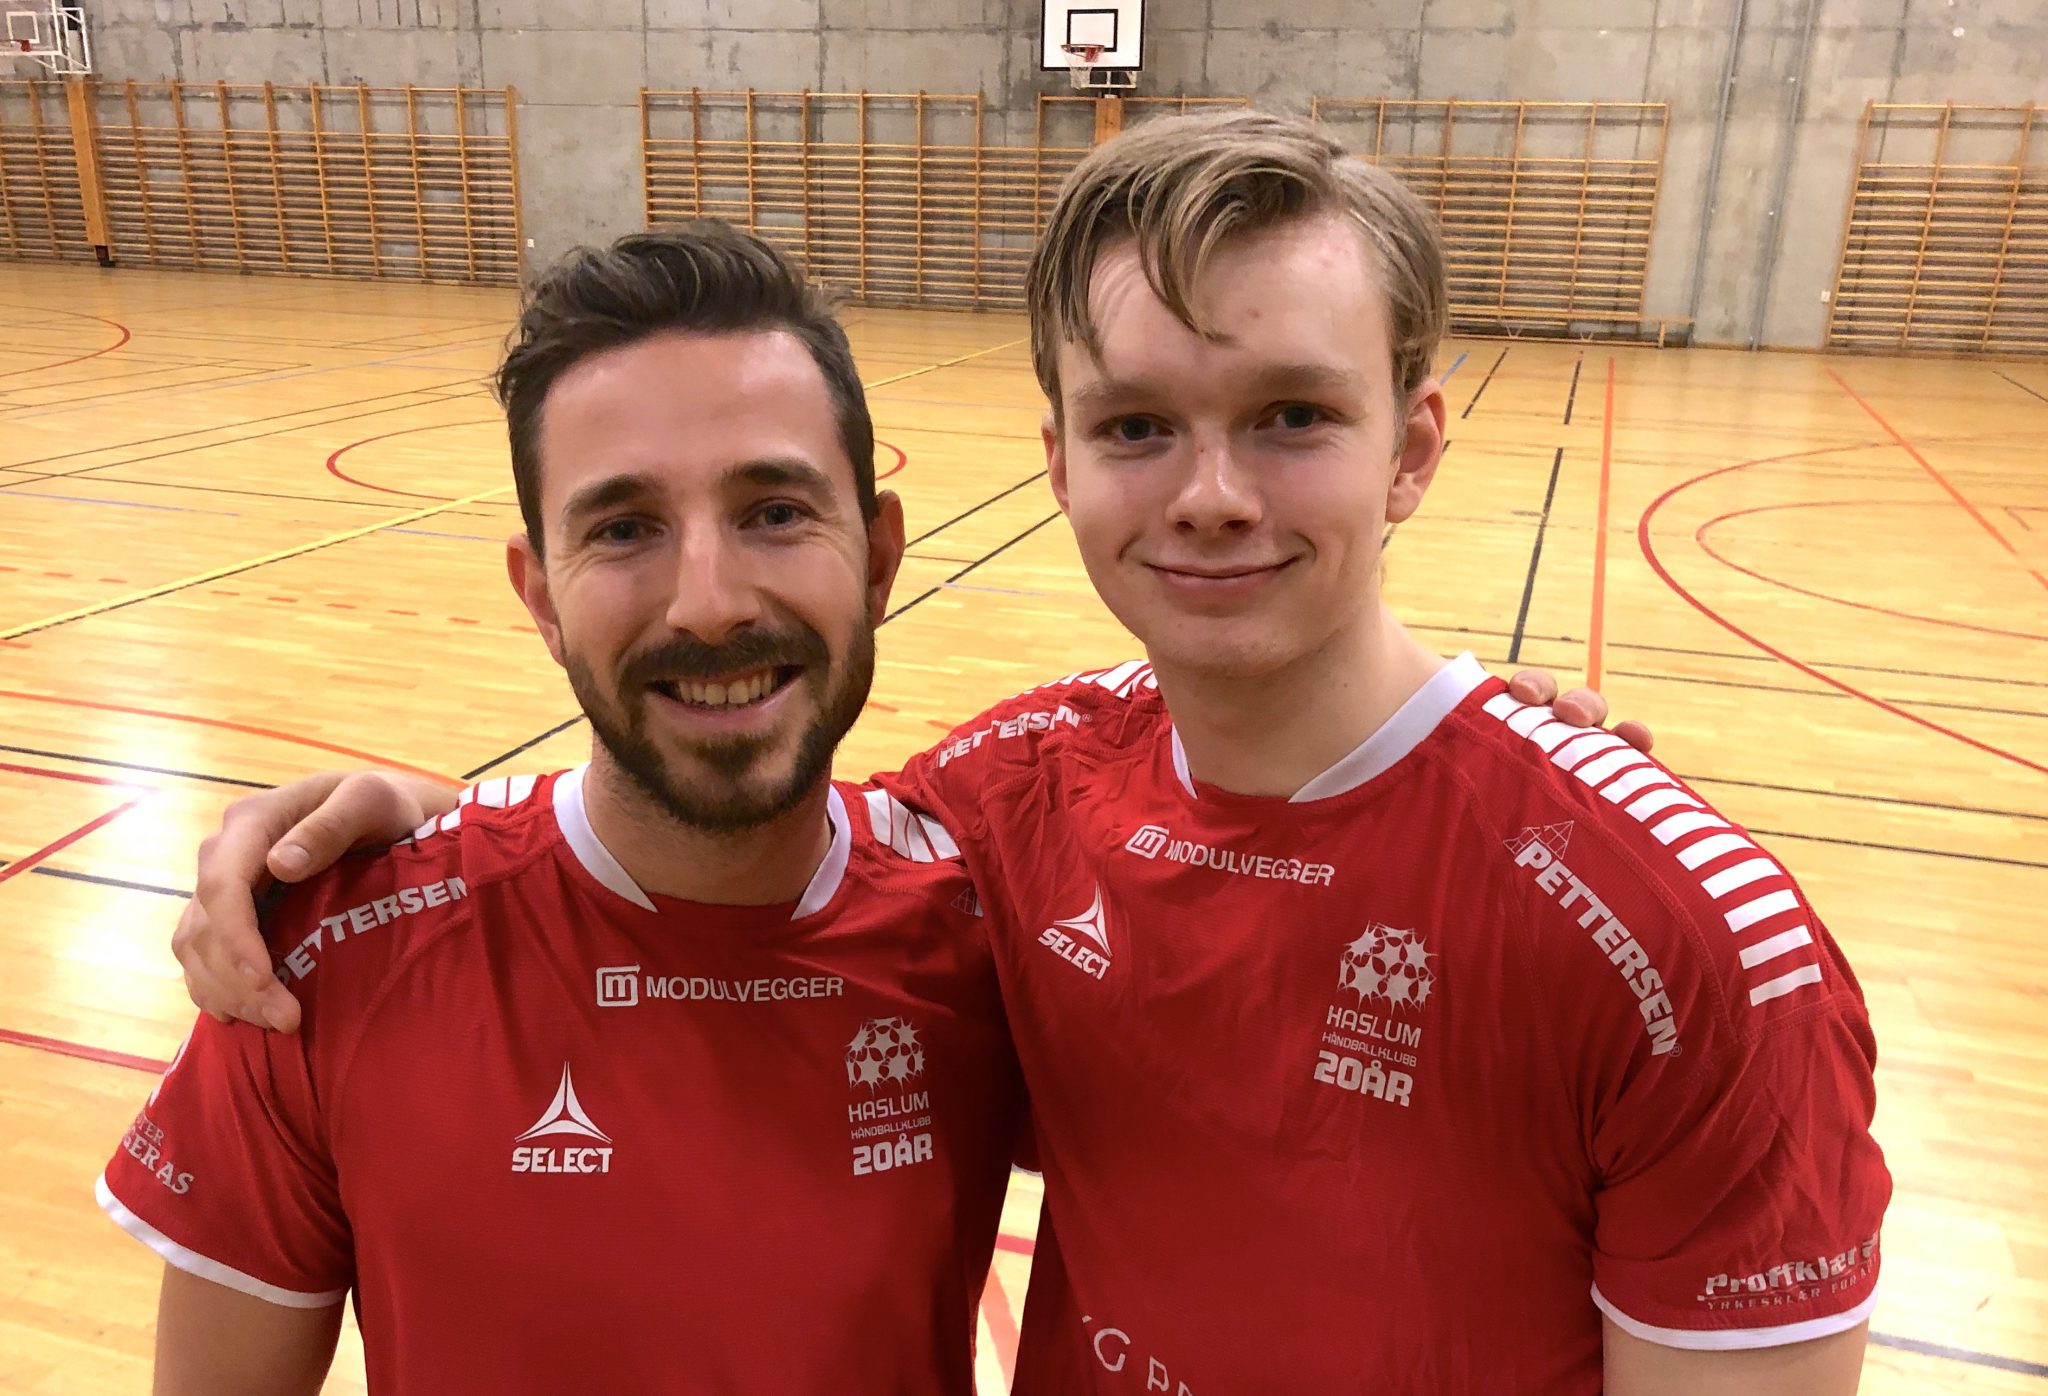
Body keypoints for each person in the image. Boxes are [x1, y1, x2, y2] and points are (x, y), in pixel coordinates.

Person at [170, 113, 1860, 1396]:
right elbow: (726, 834)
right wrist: (430, 824)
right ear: (1058, 460)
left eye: (1290, 414)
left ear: (1413, 448)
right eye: (1138, 425)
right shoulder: (1010, 812)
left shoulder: (1682, 945)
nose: (1210, 494)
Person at [97, 225, 1027, 1395]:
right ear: (539, 597)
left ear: (880, 558)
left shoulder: (999, 940)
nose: (709, 603)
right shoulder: (316, 966)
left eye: (775, 511)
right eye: (624, 529)